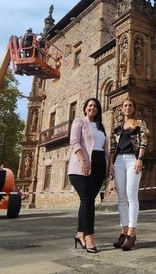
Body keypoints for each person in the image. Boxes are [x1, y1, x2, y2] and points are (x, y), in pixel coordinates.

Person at [68, 98, 109, 253]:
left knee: (88, 200)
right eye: (90, 105)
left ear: (98, 110)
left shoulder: (101, 126)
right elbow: (74, 142)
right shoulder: (79, 122)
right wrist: (84, 161)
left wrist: (109, 164)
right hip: (81, 166)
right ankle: (89, 237)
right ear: (85, 109)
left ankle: (80, 234)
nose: (92, 108)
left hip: (99, 166)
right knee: (87, 200)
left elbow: (105, 147)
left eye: (95, 106)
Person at [109, 98, 149, 251]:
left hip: (133, 160)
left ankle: (132, 233)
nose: (127, 107)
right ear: (122, 108)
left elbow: (144, 141)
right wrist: (111, 162)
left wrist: (140, 159)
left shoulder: (139, 123)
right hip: (118, 161)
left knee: (132, 195)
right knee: (121, 198)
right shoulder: (117, 126)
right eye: (125, 105)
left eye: (130, 105)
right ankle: (124, 231)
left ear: (134, 108)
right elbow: (112, 145)